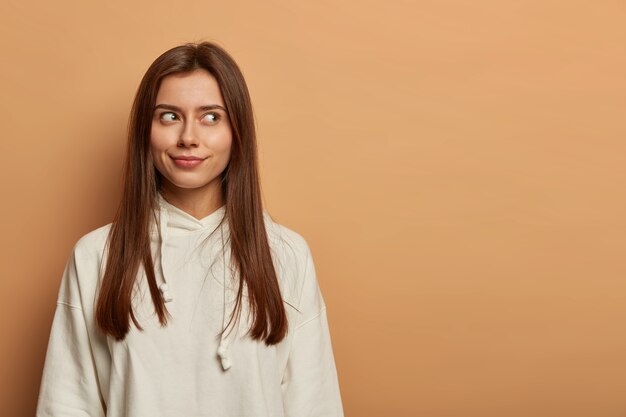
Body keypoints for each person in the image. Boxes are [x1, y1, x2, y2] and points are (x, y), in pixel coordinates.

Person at [35, 41, 344, 417]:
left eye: (211, 117)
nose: (188, 137)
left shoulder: (286, 254)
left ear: (237, 131)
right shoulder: (96, 256)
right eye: (169, 116)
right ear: (145, 131)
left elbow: (315, 403)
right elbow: (66, 404)